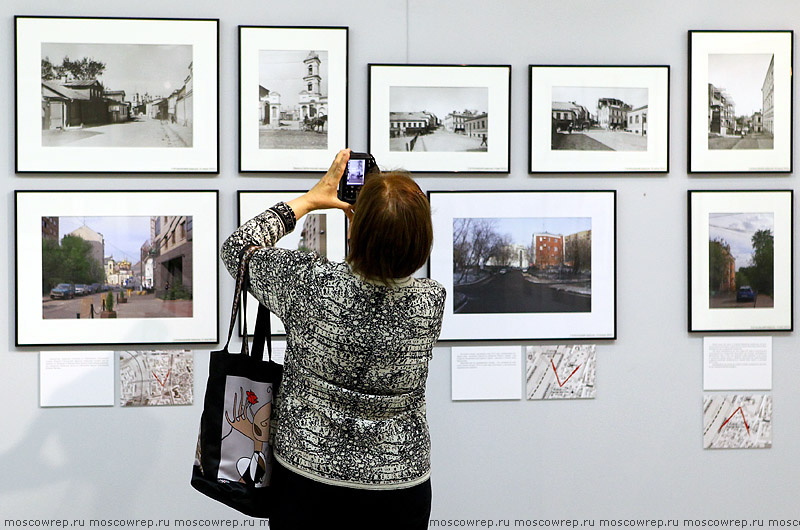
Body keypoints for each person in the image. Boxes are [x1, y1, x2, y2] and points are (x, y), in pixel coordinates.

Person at [220, 149, 446, 529]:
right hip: (400, 487)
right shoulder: (431, 301)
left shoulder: (311, 284)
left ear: (355, 227)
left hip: (308, 483)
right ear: (424, 238)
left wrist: (309, 200)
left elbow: (236, 249)